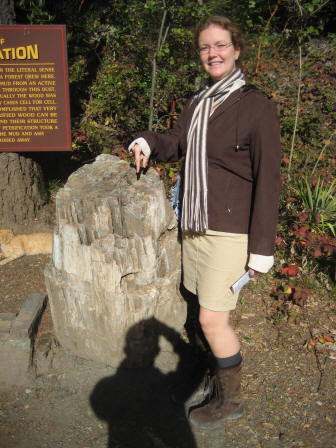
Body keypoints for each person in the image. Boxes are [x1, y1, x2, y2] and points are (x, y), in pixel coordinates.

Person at [128, 15, 281, 430]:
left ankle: (232, 399)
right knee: (198, 309)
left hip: (230, 232)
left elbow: (268, 181)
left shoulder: (256, 106)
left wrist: (262, 249)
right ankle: (212, 380)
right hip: (193, 224)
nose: (212, 53)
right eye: (205, 47)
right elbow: (177, 142)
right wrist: (146, 141)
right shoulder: (199, 101)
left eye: (220, 45)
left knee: (214, 319)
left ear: (236, 48)